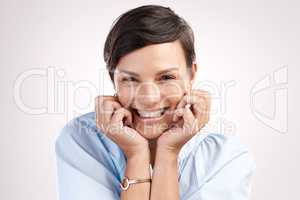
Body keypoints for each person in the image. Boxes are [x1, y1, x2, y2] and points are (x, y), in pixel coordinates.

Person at [55, 5, 255, 200]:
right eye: (131, 79)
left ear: (191, 73)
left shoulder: (226, 158)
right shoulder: (82, 139)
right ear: (113, 79)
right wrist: (136, 155)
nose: (149, 98)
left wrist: (168, 153)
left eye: (166, 77)